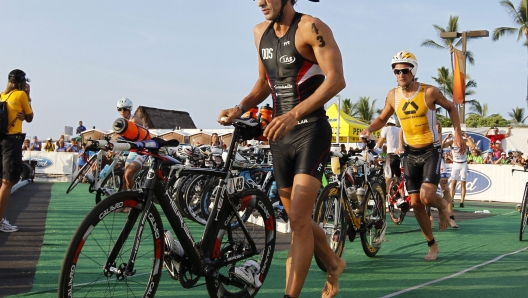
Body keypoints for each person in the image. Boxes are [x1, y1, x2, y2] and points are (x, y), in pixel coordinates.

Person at [217, 1, 346, 296]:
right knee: (297, 217)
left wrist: (293, 114)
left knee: (299, 221)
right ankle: (334, 263)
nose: (261, 1)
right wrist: (240, 107)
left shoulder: (311, 27)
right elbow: (264, 83)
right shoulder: (259, 32)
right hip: (279, 136)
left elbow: (336, 79)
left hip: (310, 130)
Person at [361, 51, 466, 261]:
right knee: (416, 204)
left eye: (405, 70)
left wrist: (457, 135)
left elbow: (452, 108)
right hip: (410, 153)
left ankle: (443, 205)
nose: (400, 74)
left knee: (427, 197)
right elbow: (382, 118)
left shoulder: (429, 92)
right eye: (396, 71)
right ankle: (432, 244)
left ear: (413, 71)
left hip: (431, 151)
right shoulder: (393, 95)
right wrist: (369, 129)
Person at [0, 69, 34, 233]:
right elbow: (30, 116)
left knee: (2, 181)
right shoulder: (20, 95)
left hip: (1, 139)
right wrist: (28, 94)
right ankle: (0, 221)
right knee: (8, 181)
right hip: (12, 140)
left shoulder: (2, 95)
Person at [117, 98, 146, 191]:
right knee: (124, 179)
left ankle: (134, 199)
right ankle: (124, 203)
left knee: (128, 174)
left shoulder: (134, 120)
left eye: (124, 109)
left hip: (143, 150)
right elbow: (118, 137)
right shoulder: (123, 121)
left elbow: (126, 138)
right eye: (119, 109)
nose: (122, 111)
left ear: (129, 109)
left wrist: (116, 149)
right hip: (134, 150)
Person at [442, 131, 476, 208]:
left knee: (463, 184)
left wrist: (467, 136)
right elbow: (442, 146)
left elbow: (473, 145)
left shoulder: (465, 141)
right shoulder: (451, 142)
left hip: (463, 164)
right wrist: (446, 138)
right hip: (455, 164)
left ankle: (462, 201)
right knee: (453, 183)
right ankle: (452, 200)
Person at [376, 116, 400, 195]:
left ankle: (389, 199)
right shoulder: (399, 129)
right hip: (399, 156)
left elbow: (379, 145)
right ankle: (400, 195)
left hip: (390, 155)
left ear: (387, 123)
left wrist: (381, 134)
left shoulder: (385, 129)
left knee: (388, 178)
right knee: (398, 177)